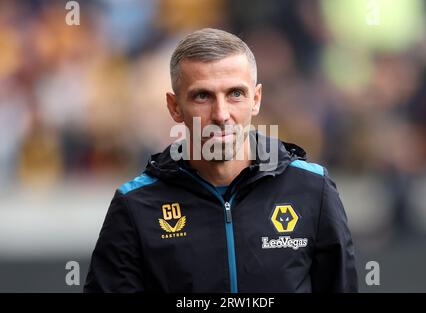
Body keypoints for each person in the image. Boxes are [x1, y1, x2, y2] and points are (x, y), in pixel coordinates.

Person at [84, 28, 358, 293]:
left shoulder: (311, 189)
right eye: (202, 96)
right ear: (174, 107)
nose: (221, 114)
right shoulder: (135, 206)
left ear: (256, 99)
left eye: (235, 94)